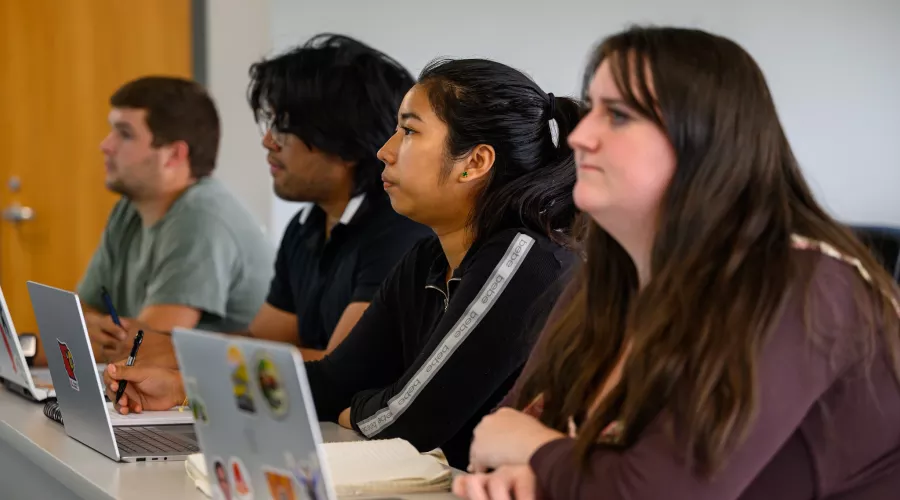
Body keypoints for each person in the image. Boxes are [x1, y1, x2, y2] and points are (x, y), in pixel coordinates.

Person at [453, 26, 900, 499]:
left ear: (706, 141)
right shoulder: (612, 274)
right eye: (592, 110)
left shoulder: (803, 284)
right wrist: (523, 469)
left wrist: (538, 453)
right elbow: (498, 437)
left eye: (619, 115)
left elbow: (659, 490)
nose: (581, 136)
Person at [103, 58, 584, 470]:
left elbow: (403, 423)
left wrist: (360, 405)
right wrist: (188, 389)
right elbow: (332, 381)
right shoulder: (427, 258)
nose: (386, 149)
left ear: (474, 162)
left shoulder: (522, 259)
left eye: (410, 131)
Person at [242, 33, 432, 361]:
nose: (269, 142)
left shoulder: (401, 232)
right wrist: (163, 349)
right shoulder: (306, 226)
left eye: (284, 126)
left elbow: (340, 367)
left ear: (345, 143)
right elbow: (262, 340)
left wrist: (183, 360)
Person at [73, 76, 273, 364]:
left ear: (174, 155)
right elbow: (81, 318)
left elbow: (143, 348)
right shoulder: (129, 209)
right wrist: (87, 332)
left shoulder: (203, 217)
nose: (106, 145)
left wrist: (86, 337)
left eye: (125, 134)